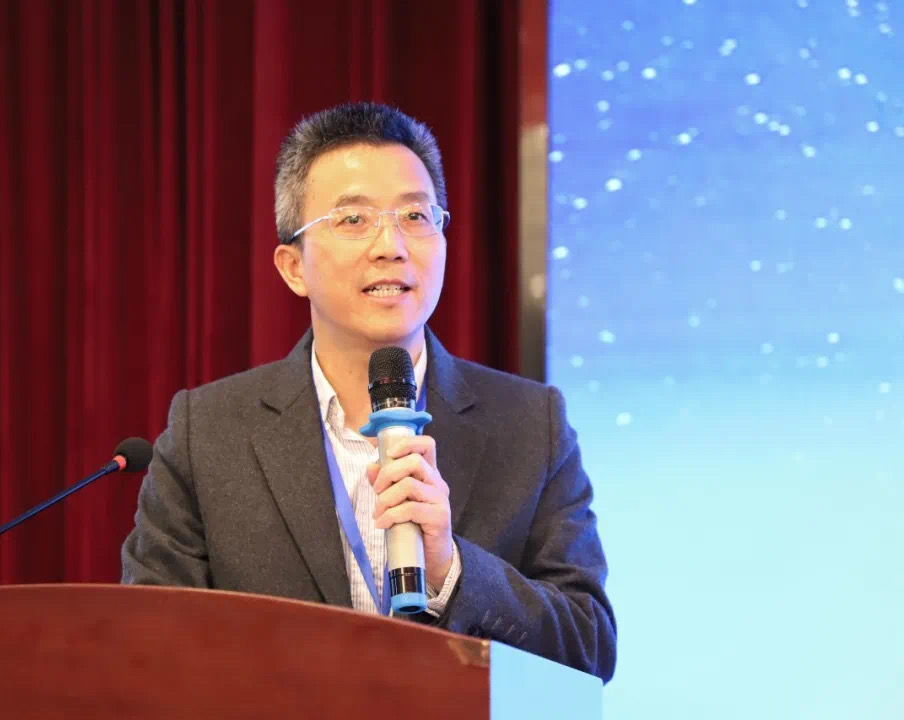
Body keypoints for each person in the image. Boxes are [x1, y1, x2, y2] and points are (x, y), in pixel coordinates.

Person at [121, 102, 616, 682]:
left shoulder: (531, 424)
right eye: (353, 219)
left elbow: (589, 648)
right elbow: (150, 648)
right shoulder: (208, 433)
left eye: (415, 215)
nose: (391, 245)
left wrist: (452, 570)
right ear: (293, 267)